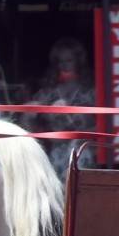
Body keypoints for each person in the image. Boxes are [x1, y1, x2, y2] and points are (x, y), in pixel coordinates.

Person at [26, 36, 96, 179]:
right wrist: (33, 114)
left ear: (78, 61)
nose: (64, 65)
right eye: (60, 61)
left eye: (69, 60)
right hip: (56, 156)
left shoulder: (91, 92)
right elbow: (28, 123)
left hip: (83, 154)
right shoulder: (48, 92)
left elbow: (105, 126)